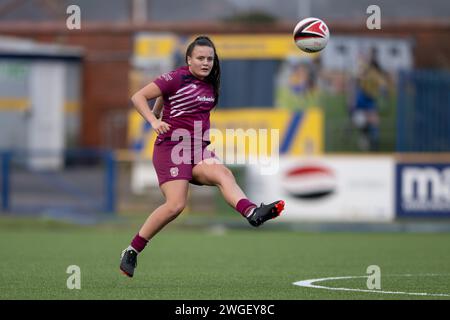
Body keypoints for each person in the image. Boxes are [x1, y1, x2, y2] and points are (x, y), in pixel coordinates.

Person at [120, 36, 285, 278]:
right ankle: (132, 250)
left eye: (209, 58)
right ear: (189, 60)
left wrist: (160, 109)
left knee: (223, 173)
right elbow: (138, 97)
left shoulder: (210, 86)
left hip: (197, 150)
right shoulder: (176, 77)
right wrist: (155, 121)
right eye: (200, 58)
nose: (206, 62)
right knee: (176, 205)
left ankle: (252, 213)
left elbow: (165, 100)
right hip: (171, 149)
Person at [350, 48, 388, 151]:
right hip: (361, 103)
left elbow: (382, 84)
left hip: (370, 101)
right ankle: (364, 137)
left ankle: (375, 143)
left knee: (375, 121)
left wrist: (383, 91)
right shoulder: (359, 76)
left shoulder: (373, 74)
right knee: (361, 120)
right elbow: (355, 81)